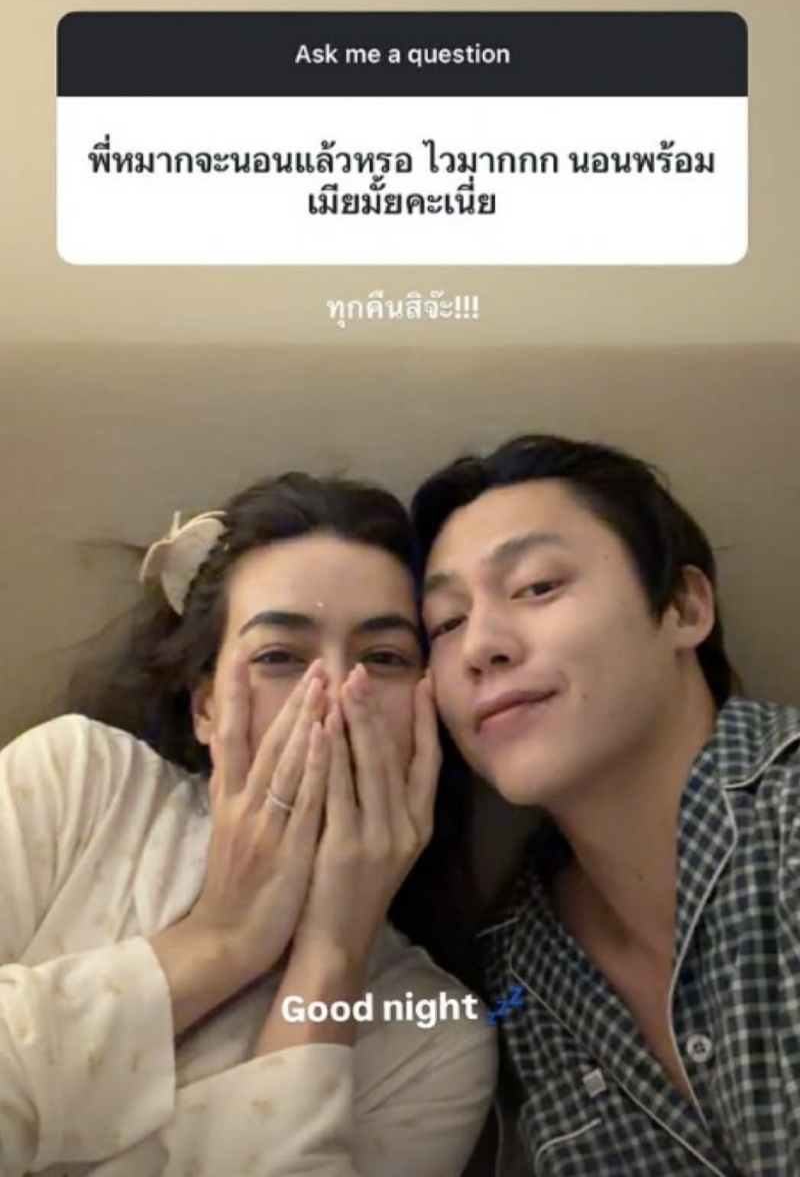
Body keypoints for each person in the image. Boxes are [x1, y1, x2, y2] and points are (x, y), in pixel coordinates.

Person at [0, 472, 496, 1177]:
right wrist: (220, 937)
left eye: (383, 658)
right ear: (207, 705)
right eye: (278, 658)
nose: (333, 695)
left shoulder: (435, 1038)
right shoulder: (76, 779)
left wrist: (329, 962)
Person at [411, 432, 800, 1177]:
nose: (480, 646)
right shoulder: (514, 969)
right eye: (446, 623)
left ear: (683, 607)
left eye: (537, 586)